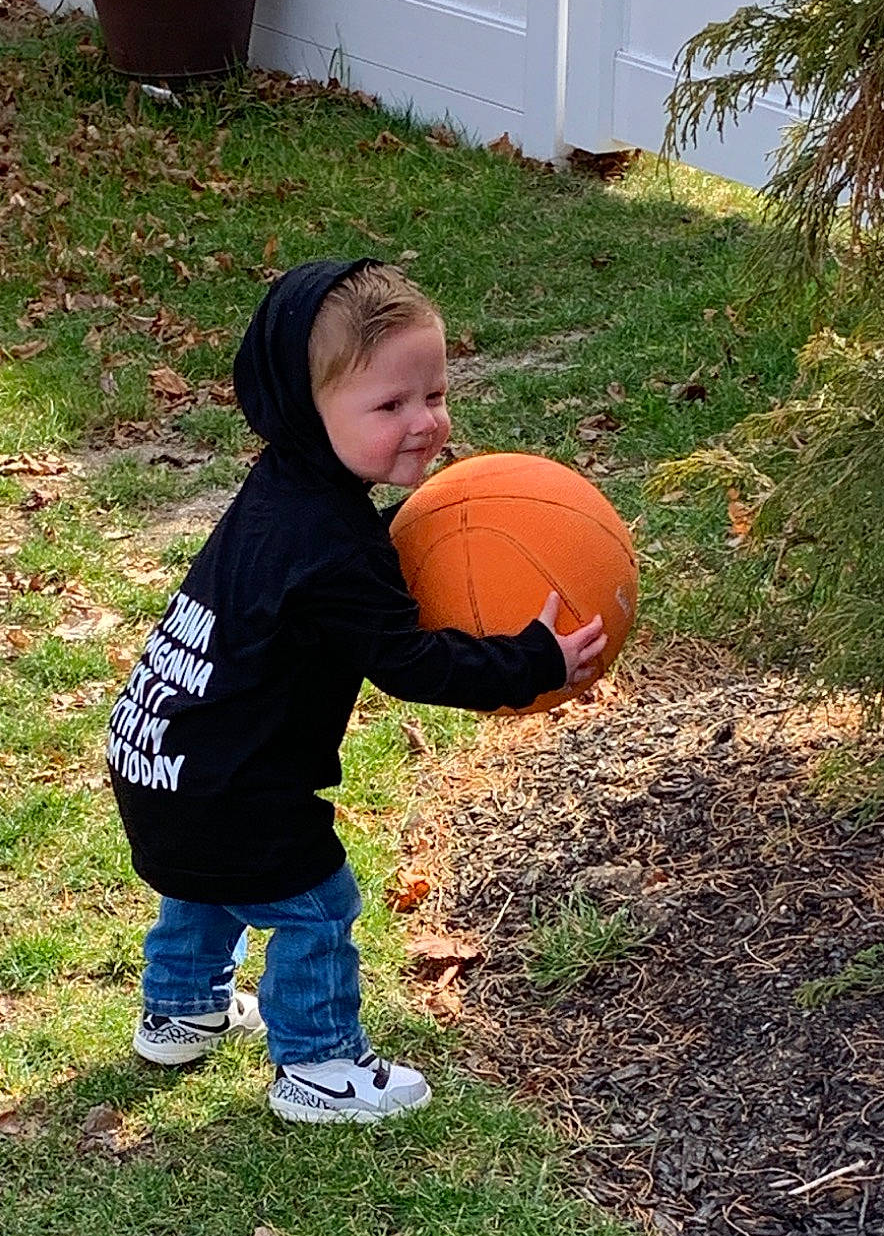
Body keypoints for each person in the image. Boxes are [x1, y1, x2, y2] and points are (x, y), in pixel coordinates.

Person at [106, 258, 604, 1123]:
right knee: (317, 902)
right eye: (389, 407)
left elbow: (332, 578)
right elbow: (414, 664)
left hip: (159, 754)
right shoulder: (330, 544)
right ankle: (319, 1063)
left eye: (435, 393)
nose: (427, 424)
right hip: (230, 782)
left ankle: (178, 1009)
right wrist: (534, 662)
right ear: (310, 408)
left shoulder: (288, 488)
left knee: (205, 880)